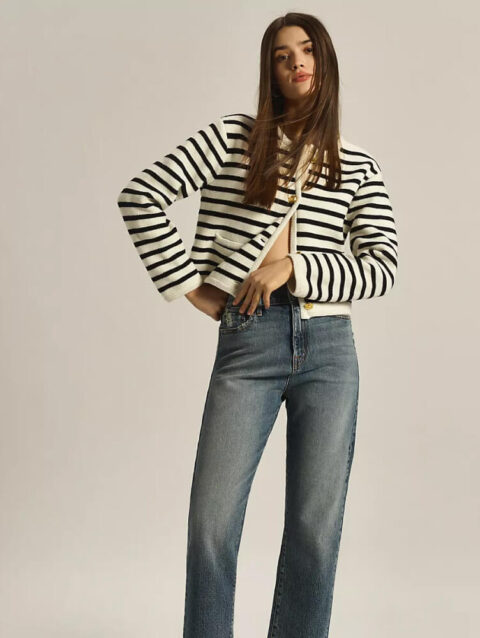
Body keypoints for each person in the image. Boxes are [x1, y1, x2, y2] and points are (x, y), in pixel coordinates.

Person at [117, 12, 398, 638]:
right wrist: (192, 286)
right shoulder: (234, 137)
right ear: (269, 70)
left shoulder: (357, 164)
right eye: (281, 54)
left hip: (330, 351)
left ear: (324, 63)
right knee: (212, 521)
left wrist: (296, 267)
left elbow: (382, 267)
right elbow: (141, 194)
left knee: (315, 529)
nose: (296, 62)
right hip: (250, 338)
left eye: (307, 50)